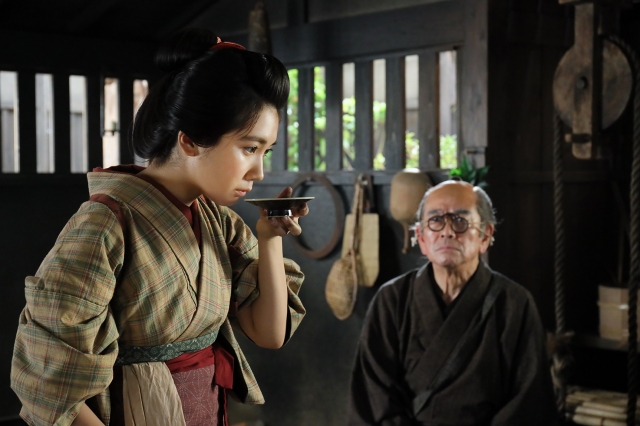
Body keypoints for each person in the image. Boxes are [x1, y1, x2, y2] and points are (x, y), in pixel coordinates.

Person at [11, 28, 307, 426]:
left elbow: (269, 334)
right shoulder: (104, 223)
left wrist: (269, 239)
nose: (258, 171)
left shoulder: (218, 220)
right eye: (249, 148)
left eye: (265, 151)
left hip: (207, 409)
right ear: (190, 141)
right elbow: (49, 379)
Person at [348, 180, 558, 425]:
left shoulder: (514, 304)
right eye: (435, 220)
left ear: (485, 236)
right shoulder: (392, 300)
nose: (447, 231)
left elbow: (527, 402)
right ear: (421, 238)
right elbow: (373, 396)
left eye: (460, 220)